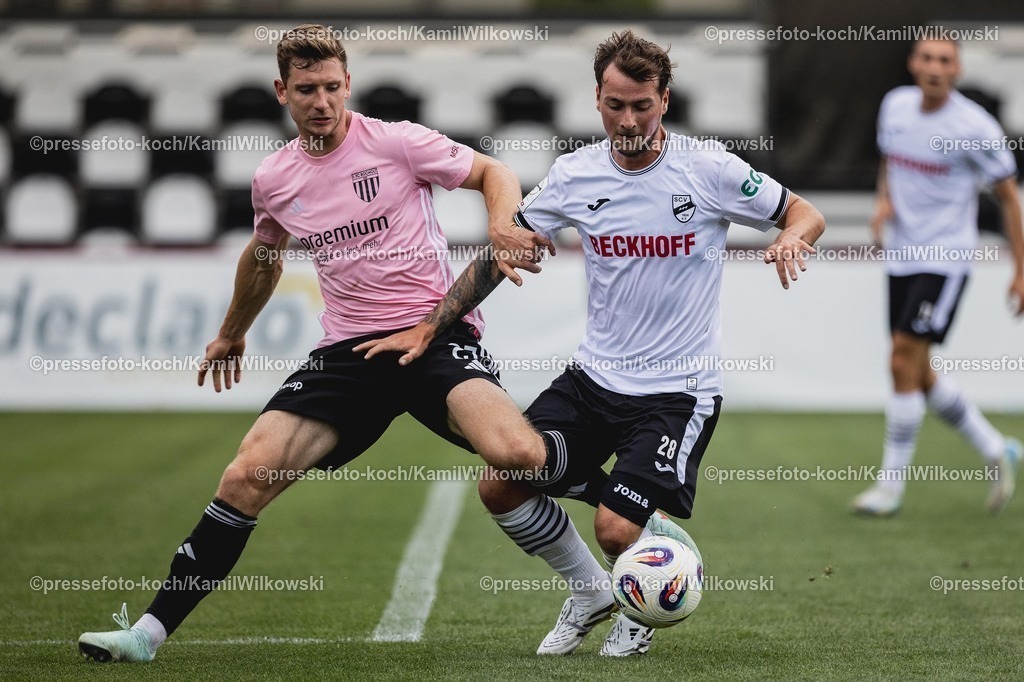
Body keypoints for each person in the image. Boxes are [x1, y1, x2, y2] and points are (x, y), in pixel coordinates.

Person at [78, 23, 571, 663]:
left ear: (348, 84)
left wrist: (503, 224)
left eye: (333, 87)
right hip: (348, 354)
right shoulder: (275, 179)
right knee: (246, 474)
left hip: (433, 333)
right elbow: (265, 257)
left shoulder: (396, 143)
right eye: (307, 89)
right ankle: (147, 634)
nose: (322, 101)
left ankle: (612, 546)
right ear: (282, 91)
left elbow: (493, 170)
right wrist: (231, 333)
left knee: (516, 454)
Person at [358, 30, 826, 656]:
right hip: (592, 380)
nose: (627, 120)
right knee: (502, 484)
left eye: (641, 105)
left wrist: (794, 237)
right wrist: (429, 325)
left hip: (676, 393)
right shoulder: (576, 175)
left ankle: (637, 606)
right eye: (614, 105)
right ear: (597, 99)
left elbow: (802, 211)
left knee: (613, 529)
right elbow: (502, 253)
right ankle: (591, 593)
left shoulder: (708, 168)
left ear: (665, 99)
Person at [852, 37, 1024, 517]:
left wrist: (1021, 271)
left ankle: (890, 487)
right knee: (917, 372)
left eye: (944, 60)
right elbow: (890, 159)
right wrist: (884, 199)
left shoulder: (975, 127)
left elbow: (1010, 197)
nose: (934, 67)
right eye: (926, 58)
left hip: (945, 258)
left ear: (957, 69)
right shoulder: (896, 106)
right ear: (912, 64)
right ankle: (996, 447)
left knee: (900, 359)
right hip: (902, 255)